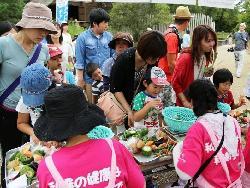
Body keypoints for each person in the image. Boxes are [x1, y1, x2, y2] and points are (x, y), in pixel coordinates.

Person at [33, 85, 145, 188]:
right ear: (87, 117)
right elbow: (139, 184)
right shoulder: (115, 148)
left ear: (53, 126)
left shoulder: (47, 168)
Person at [0, 2, 57, 187]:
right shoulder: (3, 45)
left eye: (46, 30)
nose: (43, 34)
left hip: (35, 113)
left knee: (37, 157)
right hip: (7, 113)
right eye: (39, 28)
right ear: (24, 24)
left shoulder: (44, 49)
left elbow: (44, 79)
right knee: (12, 159)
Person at [173, 79, 244, 188]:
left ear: (193, 101)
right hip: (235, 183)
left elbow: (185, 173)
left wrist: (177, 148)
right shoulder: (232, 121)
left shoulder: (198, 128)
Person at [110, 30, 166, 127]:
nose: (157, 60)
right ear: (146, 51)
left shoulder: (151, 62)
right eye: (155, 56)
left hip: (139, 107)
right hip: (122, 106)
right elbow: (116, 89)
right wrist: (129, 111)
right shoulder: (124, 59)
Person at [172, 25, 217, 108]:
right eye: (208, 41)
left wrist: (206, 74)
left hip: (196, 100)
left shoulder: (205, 55)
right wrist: (184, 101)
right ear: (198, 41)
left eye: (213, 40)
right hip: (184, 102)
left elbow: (198, 76)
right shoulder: (185, 58)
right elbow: (175, 82)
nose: (212, 44)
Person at [75, 8, 113, 103]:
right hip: (90, 80)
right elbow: (80, 61)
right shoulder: (82, 38)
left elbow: (113, 57)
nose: (107, 25)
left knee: (107, 106)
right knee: (92, 106)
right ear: (95, 23)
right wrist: (80, 80)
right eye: (104, 23)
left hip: (106, 79)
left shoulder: (109, 37)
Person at [16, 63, 56, 145]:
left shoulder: (61, 97)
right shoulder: (23, 100)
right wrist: (33, 133)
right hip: (38, 145)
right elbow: (21, 123)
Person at [158, 6, 193, 83]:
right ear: (186, 22)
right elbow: (171, 63)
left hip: (164, 75)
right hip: (167, 78)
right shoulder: (172, 36)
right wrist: (178, 80)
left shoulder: (170, 31)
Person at [132, 67, 167, 135]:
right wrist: (148, 106)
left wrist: (161, 126)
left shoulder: (158, 98)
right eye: (155, 87)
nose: (158, 90)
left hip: (154, 132)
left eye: (161, 87)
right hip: (141, 132)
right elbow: (135, 118)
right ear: (145, 83)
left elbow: (159, 115)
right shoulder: (140, 97)